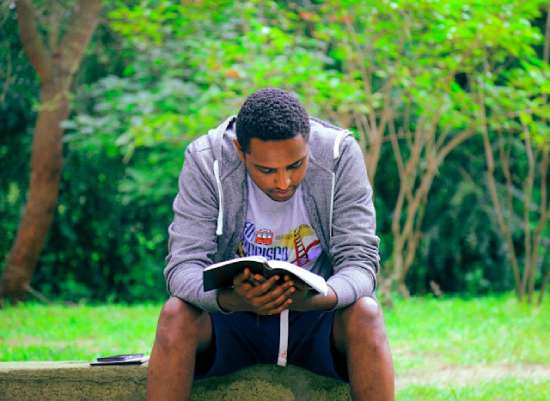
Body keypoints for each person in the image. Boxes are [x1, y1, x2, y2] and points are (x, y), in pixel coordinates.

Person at [147, 88, 395, 401]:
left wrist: (320, 298)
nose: (283, 182)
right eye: (266, 170)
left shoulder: (338, 154)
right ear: (240, 150)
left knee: (367, 314)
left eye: (296, 165)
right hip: (231, 318)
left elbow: (360, 262)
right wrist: (233, 299)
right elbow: (182, 268)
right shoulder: (206, 159)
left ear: (308, 143)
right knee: (175, 315)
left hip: (315, 318)